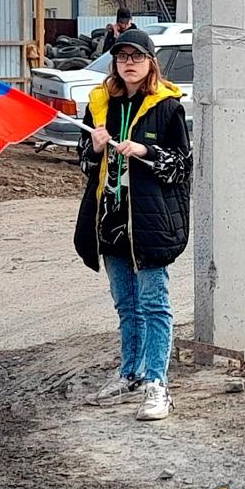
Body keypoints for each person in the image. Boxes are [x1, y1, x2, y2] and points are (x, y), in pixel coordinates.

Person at [75, 28, 191, 421]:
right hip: (110, 219)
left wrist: (145, 151)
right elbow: (86, 166)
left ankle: (158, 384)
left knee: (154, 304)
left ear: (150, 63)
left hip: (149, 222)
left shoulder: (166, 107)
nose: (128, 63)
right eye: (122, 57)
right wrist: (94, 147)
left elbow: (181, 165)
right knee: (127, 305)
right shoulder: (100, 105)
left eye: (136, 57)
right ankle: (131, 373)